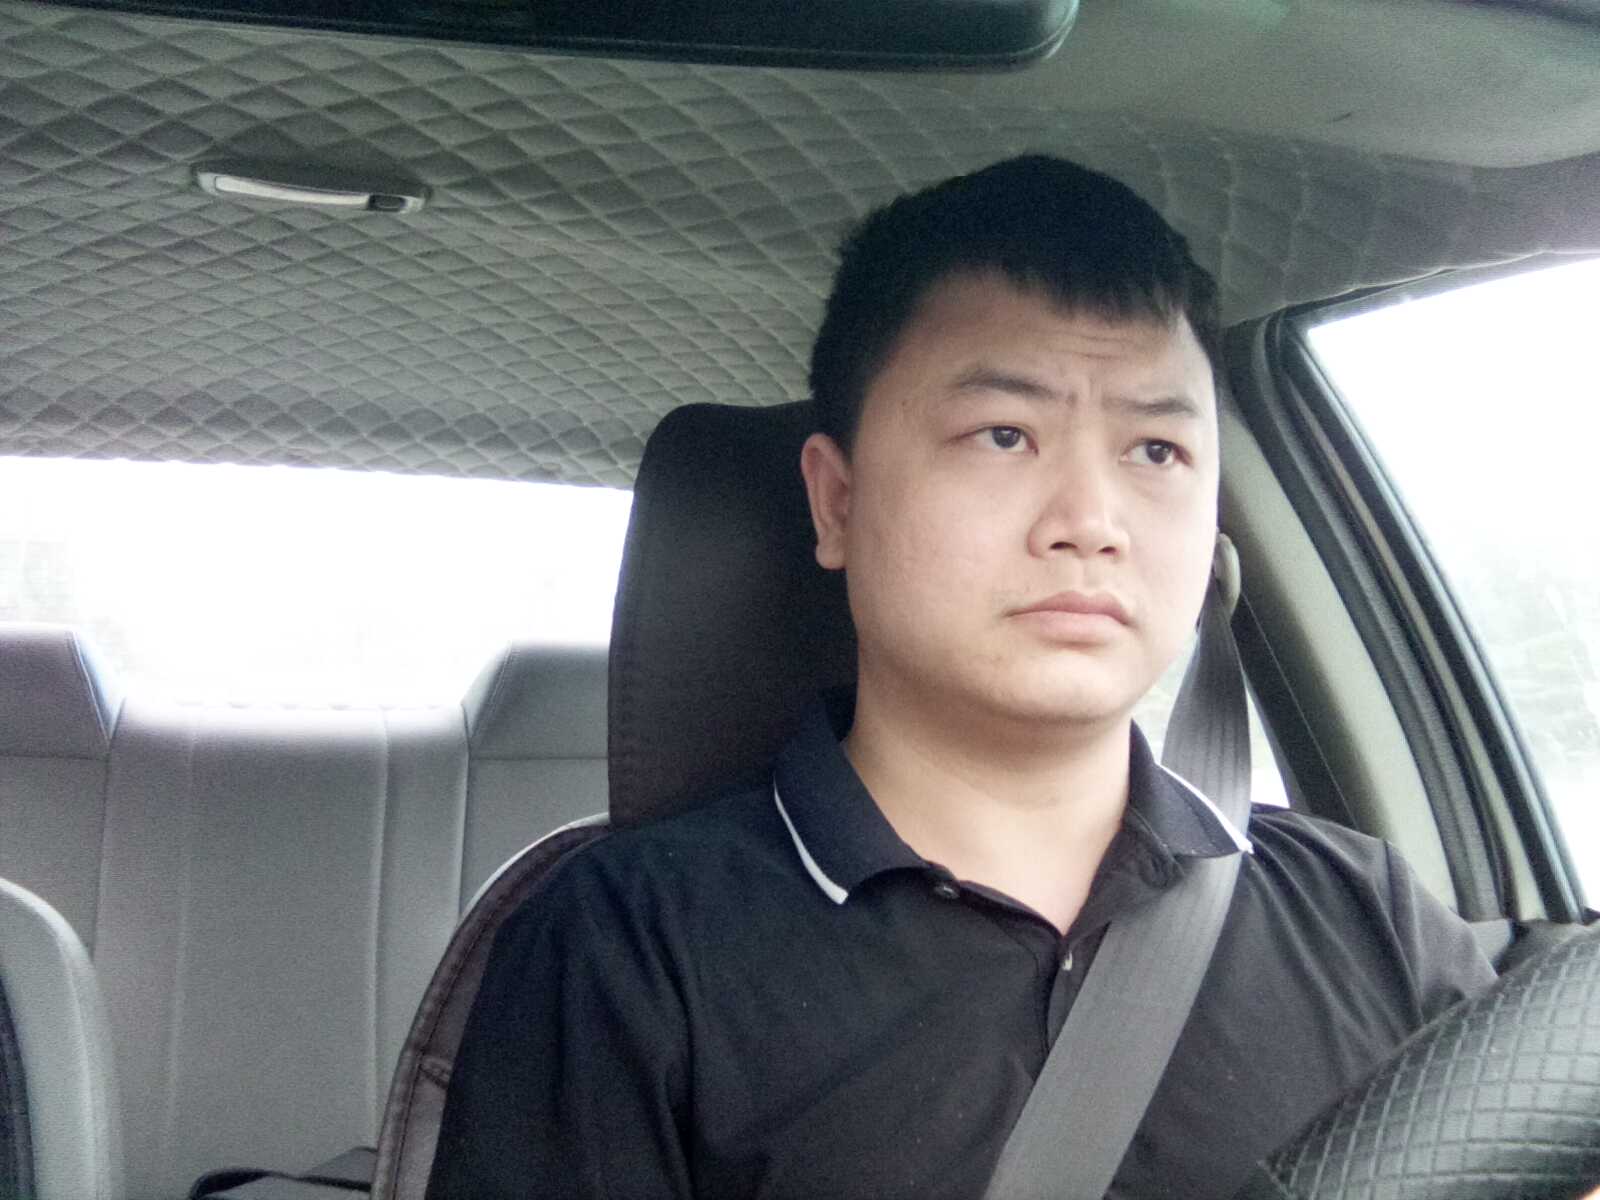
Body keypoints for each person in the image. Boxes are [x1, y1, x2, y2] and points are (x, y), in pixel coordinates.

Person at [426, 155, 1494, 1200]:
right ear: (837, 503)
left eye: (1156, 452)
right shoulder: (626, 946)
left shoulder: (1364, 908)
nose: (1091, 522)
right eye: (1004, 435)